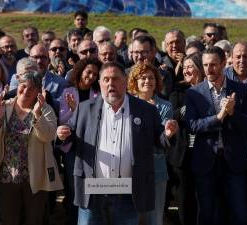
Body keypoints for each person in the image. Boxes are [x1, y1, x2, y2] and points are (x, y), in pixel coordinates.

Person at [56, 62, 178, 225]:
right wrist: (61, 134)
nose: (110, 84)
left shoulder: (146, 110)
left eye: (115, 79)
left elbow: (158, 141)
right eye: (105, 79)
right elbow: (69, 133)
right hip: (93, 191)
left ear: (125, 81)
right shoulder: (85, 109)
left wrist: (168, 134)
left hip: (127, 191)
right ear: (99, 83)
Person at [0, 72, 63, 225]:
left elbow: (49, 136)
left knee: (34, 220)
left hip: (35, 178)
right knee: (9, 220)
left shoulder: (45, 109)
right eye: (23, 86)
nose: (26, 91)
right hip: (6, 178)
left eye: (31, 89)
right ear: (18, 86)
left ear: (39, 91)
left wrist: (37, 114)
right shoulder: (3, 107)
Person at [185, 46, 247, 225]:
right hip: (206, 163)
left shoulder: (240, 90)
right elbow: (192, 126)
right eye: (205, 65)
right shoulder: (194, 92)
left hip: (234, 163)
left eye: (214, 65)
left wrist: (232, 113)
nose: (209, 69)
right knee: (207, 215)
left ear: (224, 63)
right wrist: (218, 117)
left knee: (240, 214)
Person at [127, 62, 173, 225]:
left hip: (156, 169)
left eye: (151, 78)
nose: (148, 81)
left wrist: (167, 132)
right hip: (130, 169)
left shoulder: (165, 106)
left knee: (155, 218)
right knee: (132, 217)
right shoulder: (127, 105)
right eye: (143, 78)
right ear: (134, 81)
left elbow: (160, 138)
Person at [58, 58, 101, 225]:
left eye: (95, 74)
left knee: (90, 187)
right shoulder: (68, 91)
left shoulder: (98, 94)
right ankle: (72, 218)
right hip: (72, 147)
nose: (91, 77)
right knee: (73, 186)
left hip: (92, 147)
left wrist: (76, 109)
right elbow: (64, 120)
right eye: (88, 72)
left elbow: (96, 120)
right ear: (80, 71)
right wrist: (77, 111)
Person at [169, 52, 205, 225]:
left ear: (200, 67)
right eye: (184, 67)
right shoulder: (179, 89)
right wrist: (188, 108)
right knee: (184, 201)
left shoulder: (209, 89)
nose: (186, 70)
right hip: (183, 154)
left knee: (203, 200)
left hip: (205, 152)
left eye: (190, 66)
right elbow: (172, 113)